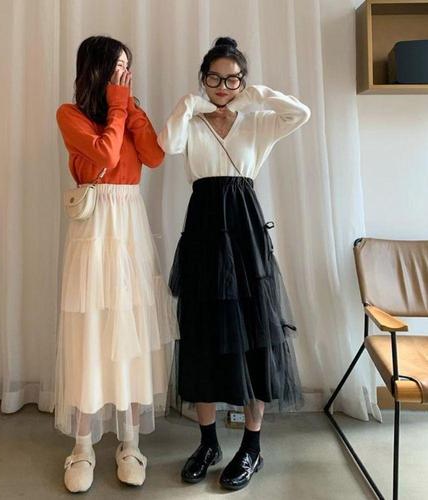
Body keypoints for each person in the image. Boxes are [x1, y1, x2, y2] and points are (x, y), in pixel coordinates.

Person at [158, 36, 311, 491]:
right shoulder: (193, 122)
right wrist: (188, 104)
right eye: (214, 78)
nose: (222, 87)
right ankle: (208, 443)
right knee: (202, 333)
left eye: (232, 79)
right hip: (203, 232)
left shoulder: (257, 122)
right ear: (202, 79)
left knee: (255, 333)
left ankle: (251, 447)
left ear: (242, 81)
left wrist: (256, 94)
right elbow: (167, 145)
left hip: (244, 234)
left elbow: (300, 114)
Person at [55, 35, 176, 493]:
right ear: (96, 69)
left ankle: (130, 443)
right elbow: (105, 154)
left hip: (129, 224)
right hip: (94, 227)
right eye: (116, 67)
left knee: (129, 330)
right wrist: (119, 106)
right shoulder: (70, 114)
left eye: (127, 67)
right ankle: (82, 446)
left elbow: (155, 157)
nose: (124, 74)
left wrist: (130, 107)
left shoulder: (129, 109)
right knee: (90, 330)